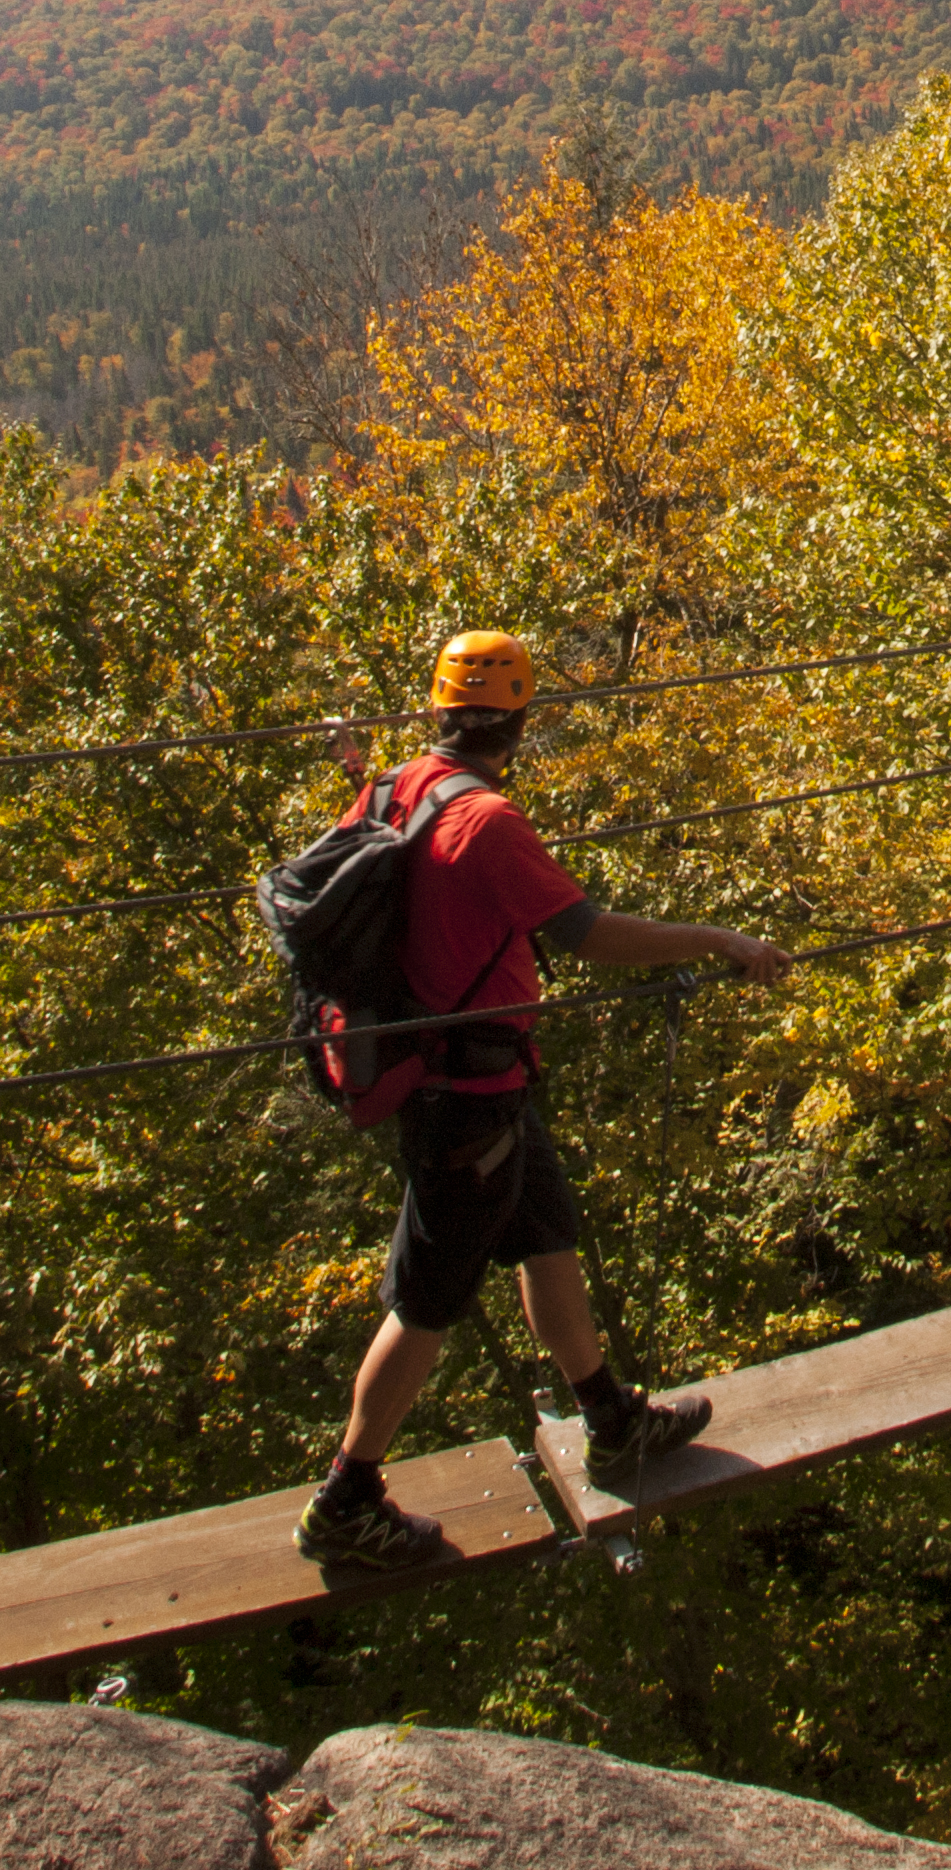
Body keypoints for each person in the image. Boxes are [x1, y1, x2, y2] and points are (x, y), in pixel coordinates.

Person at [295, 629, 793, 1570]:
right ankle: (345, 1497)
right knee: (426, 1301)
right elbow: (587, 935)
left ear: (438, 713)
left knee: (545, 1236)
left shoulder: (400, 787)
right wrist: (719, 940)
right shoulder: (487, 822)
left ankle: (609, 1417)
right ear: (519, 724)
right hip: (464, 1099)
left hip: (480, 1080)